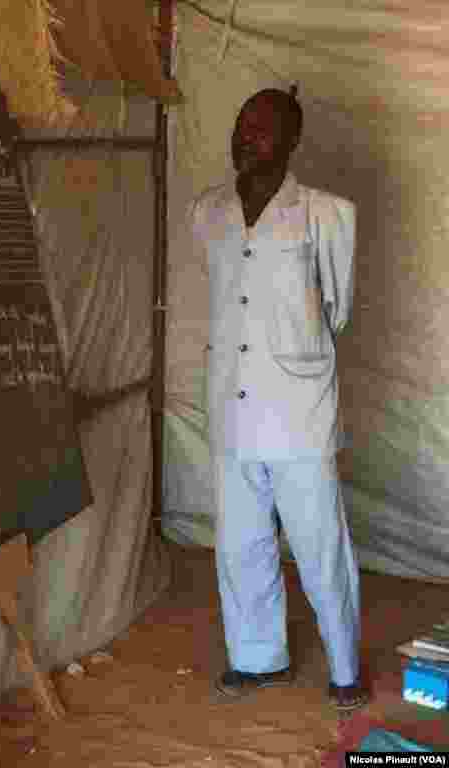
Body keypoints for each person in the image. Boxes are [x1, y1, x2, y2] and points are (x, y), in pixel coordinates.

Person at [188, 88, 368, 711]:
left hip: (298, 408)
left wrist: (289, 347)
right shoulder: (206, 212)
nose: (246, 138)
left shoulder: (327, 214)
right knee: (240, 545)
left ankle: (345, 666)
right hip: (232, 408)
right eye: (241, 126)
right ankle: (257, 659)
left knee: (320, 543)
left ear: (292, 142)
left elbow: (337, 310)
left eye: (262, 130)